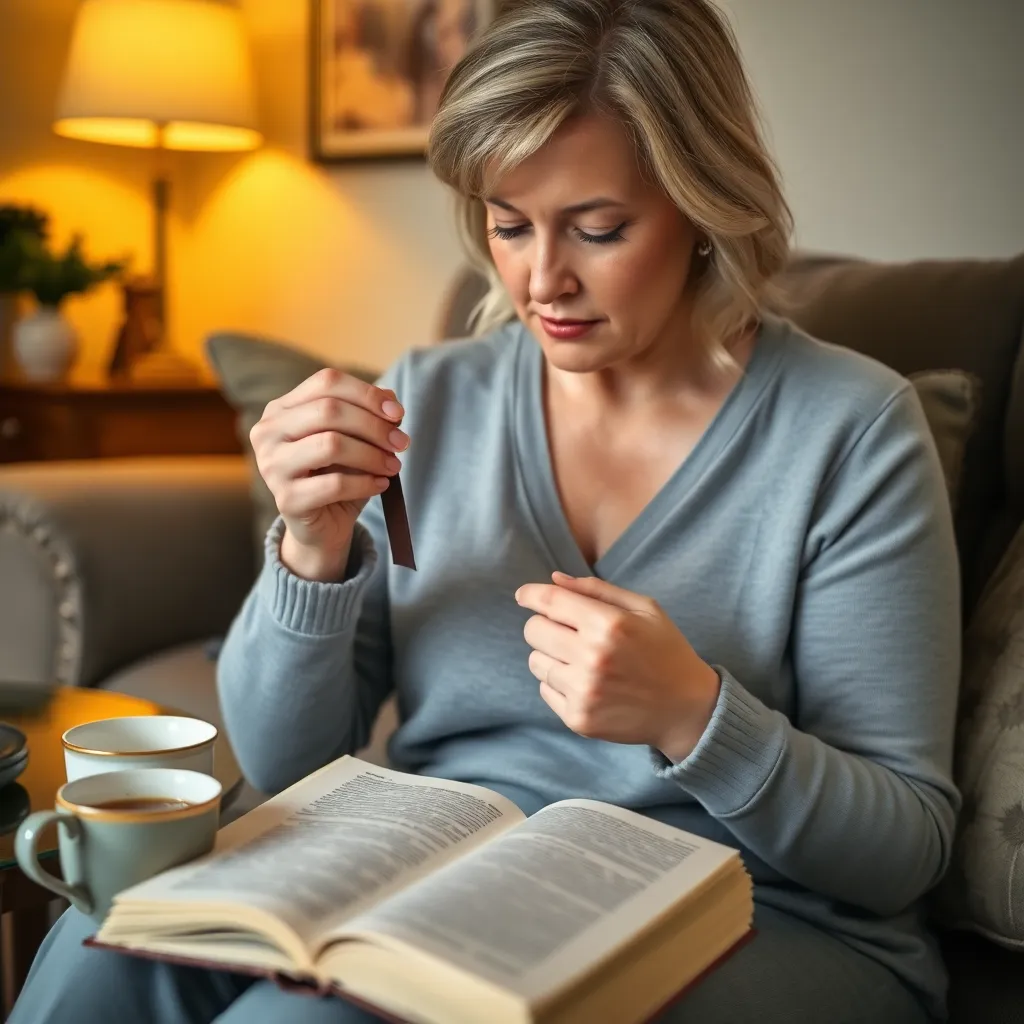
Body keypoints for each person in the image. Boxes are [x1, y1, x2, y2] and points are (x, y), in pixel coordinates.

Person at [12, 0, 961, 1021]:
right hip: (440, 868)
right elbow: (286, 764)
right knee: (105, 932)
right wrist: (309, 548)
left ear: (703, 205)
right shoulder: (435, 398)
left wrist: (693, 712)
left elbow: (901, 851)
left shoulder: (849, 430)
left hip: (751, 908)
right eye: (509, 225)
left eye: (598, 229)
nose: (540, 279)